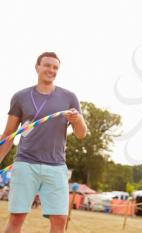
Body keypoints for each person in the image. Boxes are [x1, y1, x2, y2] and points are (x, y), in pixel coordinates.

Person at [0, 52, 87, 233]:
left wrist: (78, 119)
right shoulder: (20, 97)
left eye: (55, 67)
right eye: (47, 65)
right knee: (16, 217)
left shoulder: (69, 97)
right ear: (37, 67)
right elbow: (9, 134)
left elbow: (81, 134)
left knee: (59, 220)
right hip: (25, 164)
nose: (51, 70)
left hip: (56, 166)